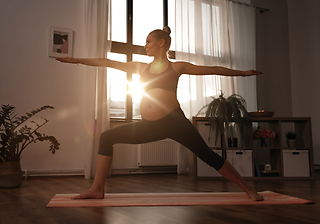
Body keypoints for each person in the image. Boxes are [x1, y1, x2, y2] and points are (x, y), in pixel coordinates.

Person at [56, 26, 264, 201]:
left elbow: (212, 68)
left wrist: (243, 73)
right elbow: (106, 62)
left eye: (148, 41)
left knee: (209, 157)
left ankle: (248, 189)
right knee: (106, 137)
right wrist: (75, 60)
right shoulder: (140, 67)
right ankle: (97, 189)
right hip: (148, 125)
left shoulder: (177, 67)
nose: (145, 45)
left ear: (161, 43)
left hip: (175, 123)